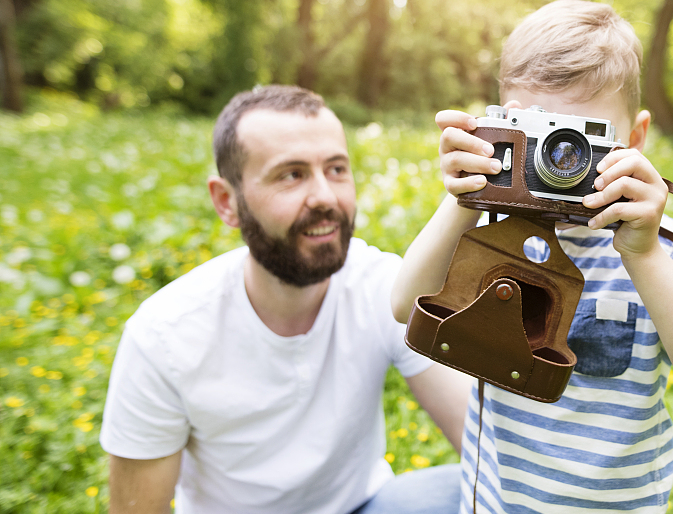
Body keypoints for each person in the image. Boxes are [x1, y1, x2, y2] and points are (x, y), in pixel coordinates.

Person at [391, 0, 673, 513]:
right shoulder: (487, 227)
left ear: (634, 140)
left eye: (576, 144)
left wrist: (646, 256)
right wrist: (463, 200)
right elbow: (405, 306)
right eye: (534, 135)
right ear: (499, 127)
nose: (555, 163)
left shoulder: (656, 245)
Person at [100, 85, 471, 514]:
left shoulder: (382, 287)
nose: (325, 198)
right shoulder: (164, 335)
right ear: (227, 202)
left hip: (366, 505)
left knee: (483, 489)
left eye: (336, 169)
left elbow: (481, 442)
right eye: (291, 175)